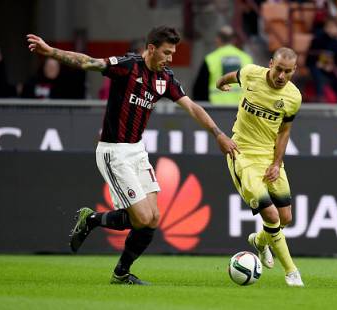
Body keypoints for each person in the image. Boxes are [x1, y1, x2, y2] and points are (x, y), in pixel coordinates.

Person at [27, 26, 238, 285]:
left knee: (153, 219)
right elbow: (88, 62)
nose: (170, 58)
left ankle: (121, 274)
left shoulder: (165, 79)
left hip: (137, 151)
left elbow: (192, 107)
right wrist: (51, 52)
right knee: (140, 218)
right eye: (166, 52)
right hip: (113, 152)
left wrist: (218, 134)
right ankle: (91, 219)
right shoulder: (127, 66)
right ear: (151, 48)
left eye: (173, 53)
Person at [216, 47, 304, 287]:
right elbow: (233, 76)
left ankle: (259, 241)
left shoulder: (293, 97)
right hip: (241, 153)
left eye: (288, 72)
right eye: (278, 70)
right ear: (270, 64)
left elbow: (285, 131)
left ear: (294, 70)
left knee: (285, 217)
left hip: (268, 157)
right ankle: (291, 272)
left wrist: (277, 163)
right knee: (272, 214)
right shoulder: (251, 74)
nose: (281, 76)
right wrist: (220, 83)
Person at [193, 25, 253, 105]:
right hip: (241, 109)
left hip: (216, 108)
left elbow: (199, 90)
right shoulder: (246, 59)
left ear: (218, 39)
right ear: (234, 40)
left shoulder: (210, 59)